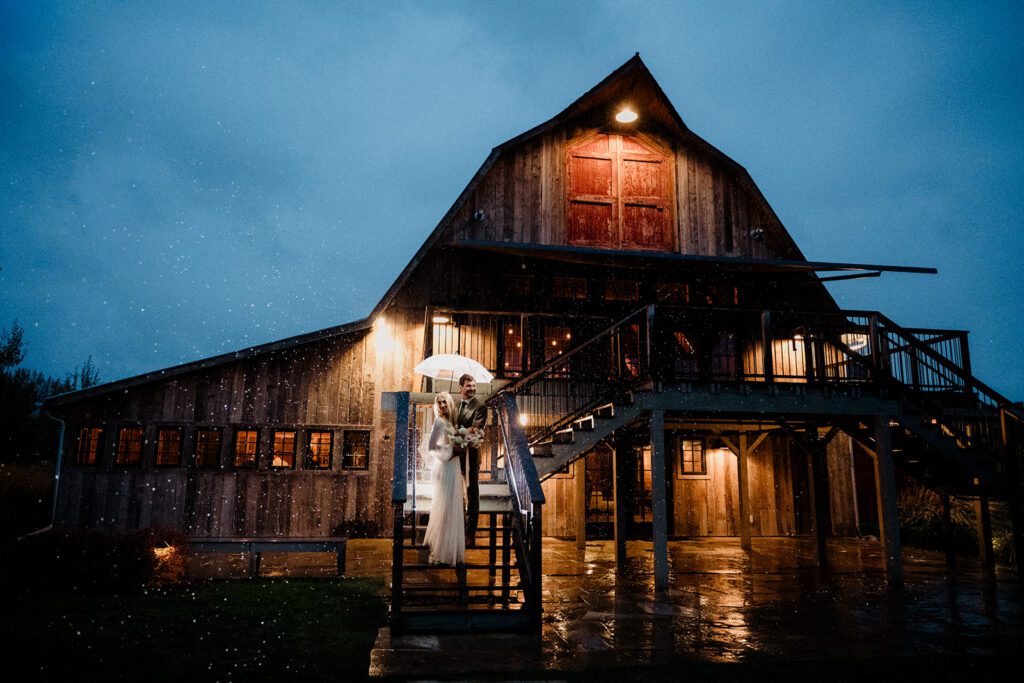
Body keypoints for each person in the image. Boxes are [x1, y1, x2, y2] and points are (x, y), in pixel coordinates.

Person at [422, 392, 464, 566]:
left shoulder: (451, 423)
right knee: (445, 508)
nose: (442, 406)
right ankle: (439, 552)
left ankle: (449, 551)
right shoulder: (439, 421)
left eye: (445, 403)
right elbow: (431, 447)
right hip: (445, 465)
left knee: (453, 507)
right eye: (439, 403)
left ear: (450, 404)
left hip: (454, 467)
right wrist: (450, 451)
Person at [454, 373, 487, 545]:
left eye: (474, 385)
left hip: (471, 457)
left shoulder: (480, 407)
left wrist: (457, 431)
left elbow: (474, 430)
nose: (472, 388)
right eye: (469, 385)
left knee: (472, 495)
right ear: (460, 387)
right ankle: (457, 530)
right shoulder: (456, 405)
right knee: (456, 495)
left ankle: (469, 534)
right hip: (453, 457)